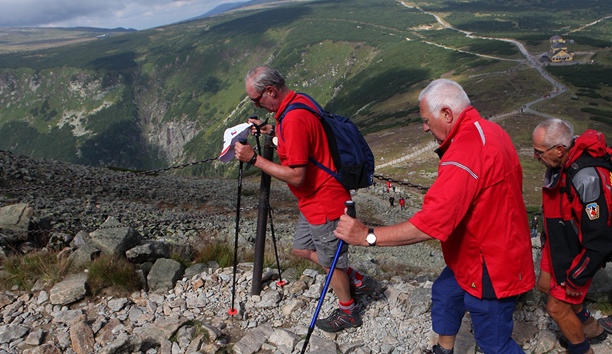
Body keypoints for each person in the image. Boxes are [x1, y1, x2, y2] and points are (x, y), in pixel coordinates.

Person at [334, 78, 535, 354]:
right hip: (476, 249)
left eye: (427, 120)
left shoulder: (463, 155)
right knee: (445, 293)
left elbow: (429, 225)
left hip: (490, 263)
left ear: (447, 114)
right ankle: (443, 349)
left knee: (493, 342)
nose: (424, 127)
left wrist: (366, 235)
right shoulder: (489, 130)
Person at [233, 66, 375, 332]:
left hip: (324, 201)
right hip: (312, 200)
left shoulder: (294, 118)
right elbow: (300, 145)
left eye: (256, 99)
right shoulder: (297, 102)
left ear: (271, 91)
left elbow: (297, 176)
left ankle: (348, 312)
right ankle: (355, 279)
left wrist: (254, 159)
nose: (255, 104)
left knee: (332, 264)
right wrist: (268, 130)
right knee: (301, 249)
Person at [532, 119, 612, 354]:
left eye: (539, 152)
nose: (536, 157)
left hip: (577, 253)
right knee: (545, 286)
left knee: (556, 308)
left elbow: (599, 239)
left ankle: (581, 349)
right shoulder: (561, 165)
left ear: (559, 150)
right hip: (558, 243)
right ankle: (590, 327)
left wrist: (577, 277)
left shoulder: (586, 178)